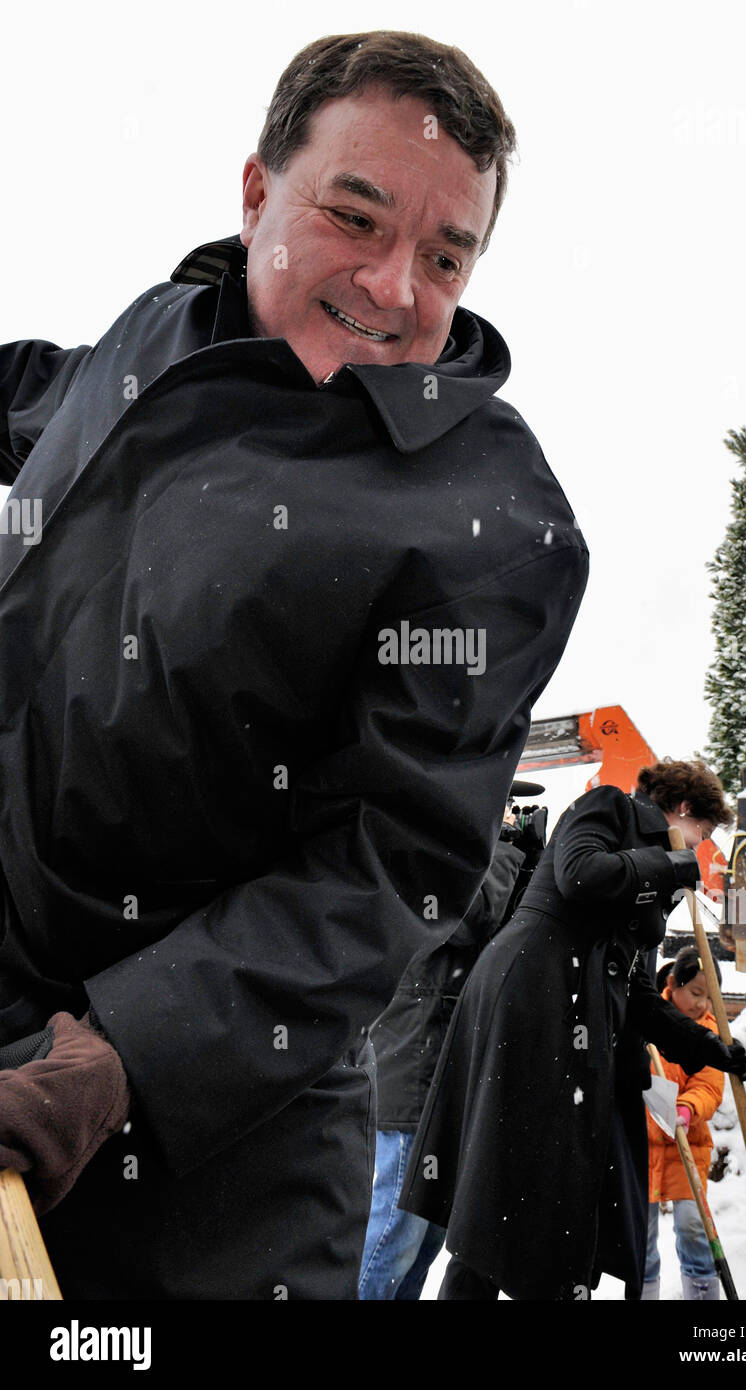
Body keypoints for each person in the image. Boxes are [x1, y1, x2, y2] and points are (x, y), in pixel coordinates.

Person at [0, 32, 588, 1299]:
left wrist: (119, 1055)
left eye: (447, 255)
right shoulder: (164, 332)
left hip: (203, 1162)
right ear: (259, 193)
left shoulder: (492, 521)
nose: (393, 287)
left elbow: (394, 859)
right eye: (354, 215)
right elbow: (53, 403)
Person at [399, 759, 746, 1300]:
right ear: (683, 811)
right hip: (530, 1003)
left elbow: (634, 989)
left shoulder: (658, 873)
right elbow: (580, 875)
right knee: (504, 1174)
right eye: (703, 836)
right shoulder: (608, 807)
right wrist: (671, 863)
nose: (700, 850)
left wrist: (707, 1047)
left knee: (562, 1190)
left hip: (583, 1023)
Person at [359, 789, 538, 1299]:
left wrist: (526, 864)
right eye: (502, 805)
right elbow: (468, 919)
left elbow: (503, 933)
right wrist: (505, 847)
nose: (508, 816)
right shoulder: (431, 852)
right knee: (393, 1235)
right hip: (411, 1072)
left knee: (427, 1239)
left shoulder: (474, 859)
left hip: (443, 1077)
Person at [642, 946, 725, 1301]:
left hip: (688, 1142)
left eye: (711, 997)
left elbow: (709, 1084)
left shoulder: (709, 1032)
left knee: (693, 1227)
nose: (703, 1005)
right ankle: (643, 1291)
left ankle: (702, 1292)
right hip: (642, 1147)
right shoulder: (647, 1019)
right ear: (673, 984)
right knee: (640, 1235)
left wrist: (687, 1109)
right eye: (696, 993)